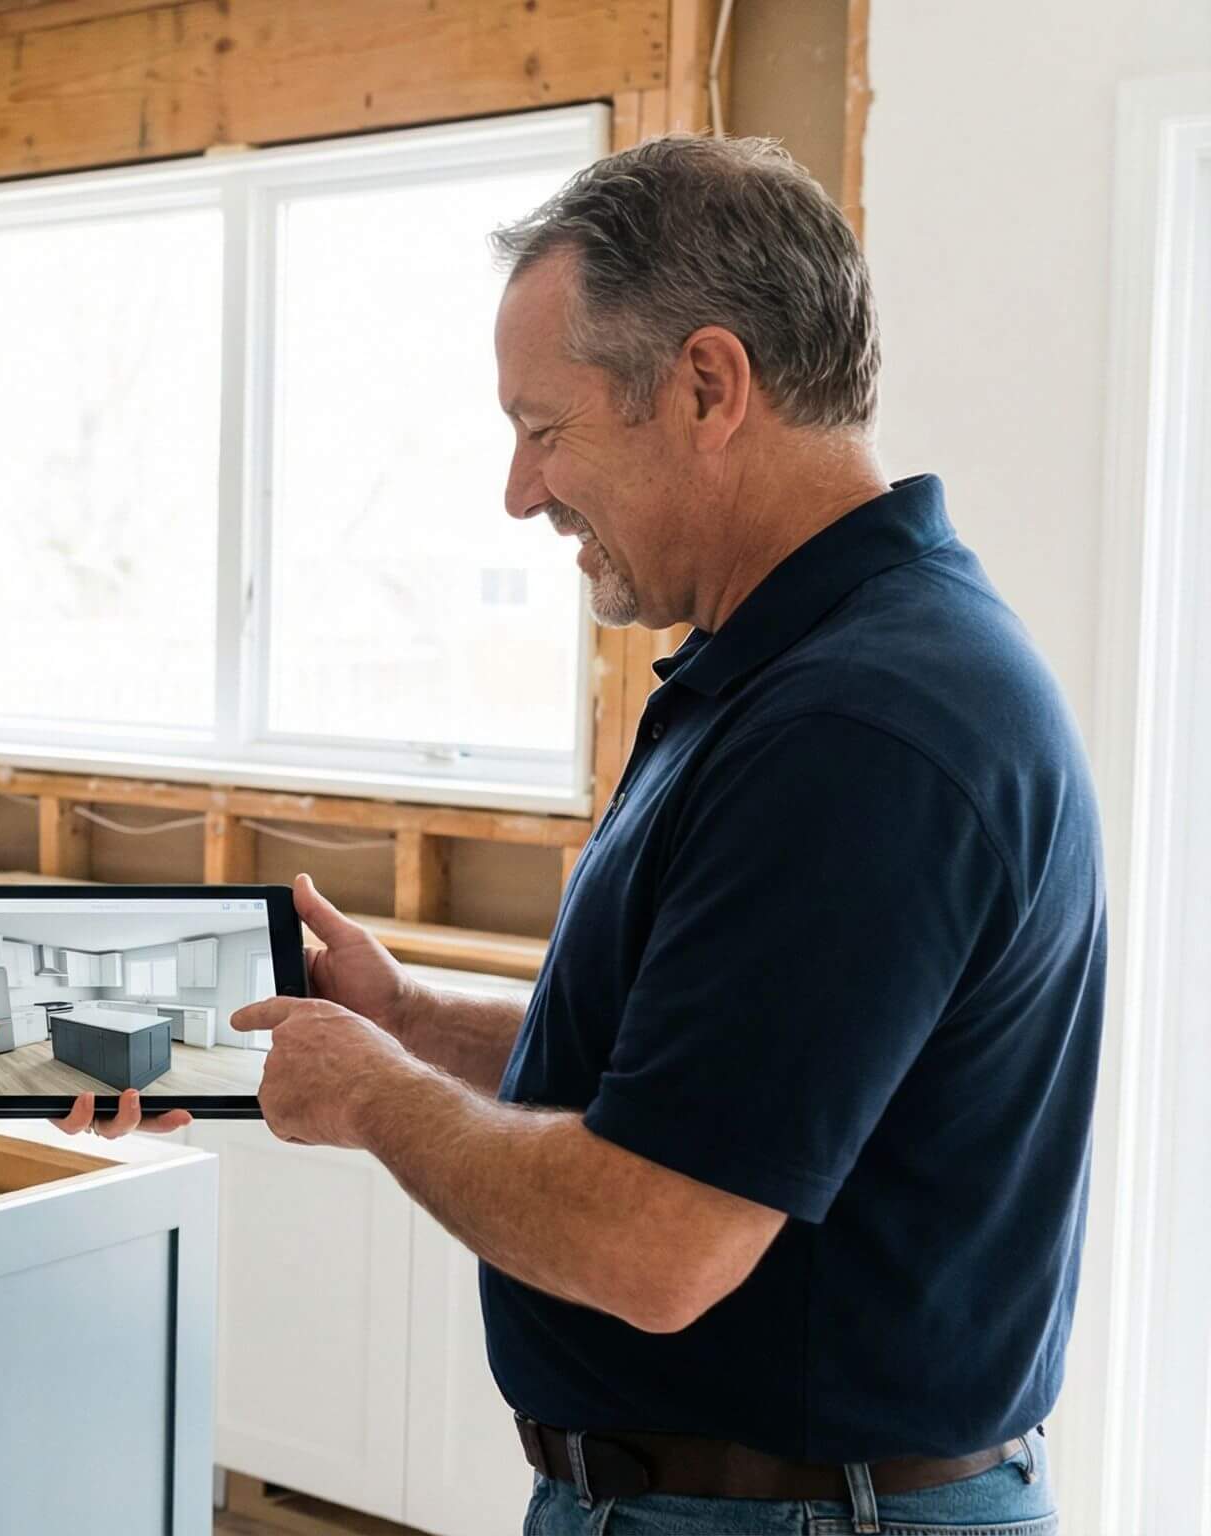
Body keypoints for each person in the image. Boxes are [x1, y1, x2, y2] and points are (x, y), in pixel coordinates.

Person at [232, 136, 1101, 1532]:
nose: (522, 492)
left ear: (707, 386)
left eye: (545, 427)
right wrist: (407, 1022)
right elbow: (705, 1090)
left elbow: (658, 1241)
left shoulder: (858, 731)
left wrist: (373, 1100)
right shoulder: (804, 671)